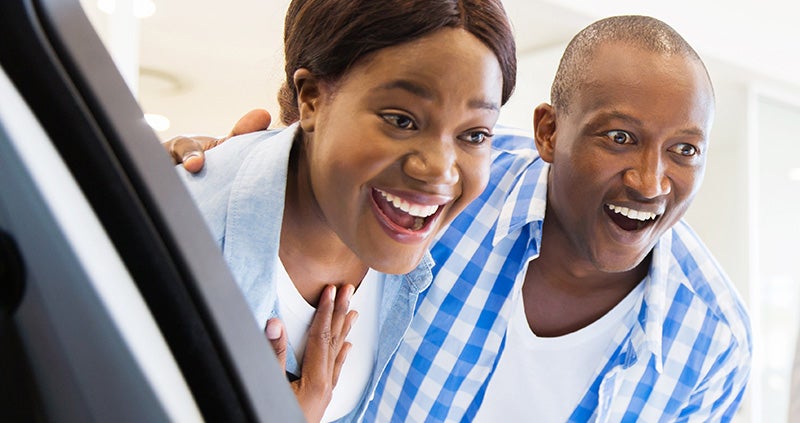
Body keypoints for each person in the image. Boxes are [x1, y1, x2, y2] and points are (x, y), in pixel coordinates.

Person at [171, 15, 751, 422]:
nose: (650, 181)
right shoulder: (453, 193)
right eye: (619, 137)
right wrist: (229, 164)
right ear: (548, 132)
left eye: (686, 150)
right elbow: (326, 173)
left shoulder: (714, 343)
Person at [174, 0, 517, 422]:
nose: (439, 171)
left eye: (475, 134)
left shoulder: (410, 242)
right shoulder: (182, 240)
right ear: (312, 99)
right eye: (402, 120)